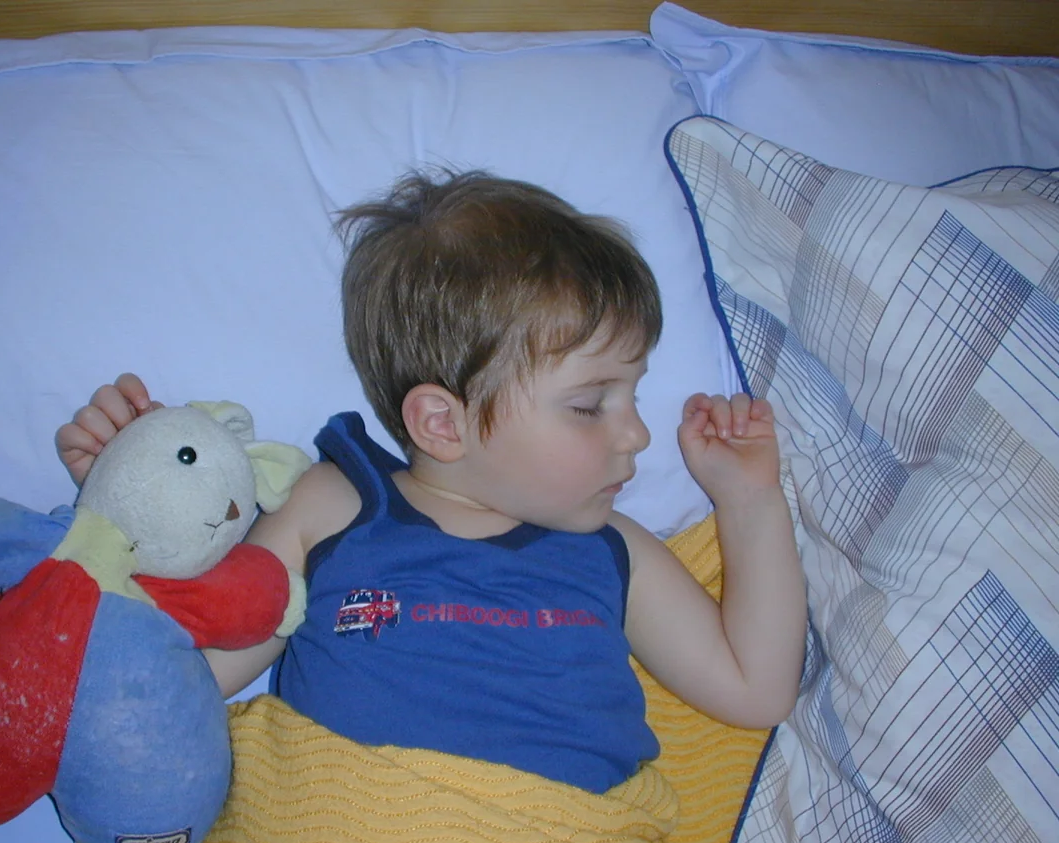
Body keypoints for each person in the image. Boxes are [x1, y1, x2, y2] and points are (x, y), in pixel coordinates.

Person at [56, 169, 806, 795]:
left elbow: (757, 689)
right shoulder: (334, 508)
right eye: (589, 405)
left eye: (632, 397)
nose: (638, 433)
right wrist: (133, 512)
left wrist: (749, 500)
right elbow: (184, 672)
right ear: (443, 423)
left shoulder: (615, 550)